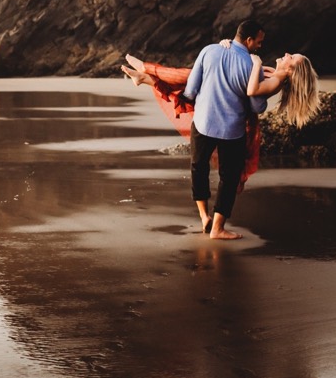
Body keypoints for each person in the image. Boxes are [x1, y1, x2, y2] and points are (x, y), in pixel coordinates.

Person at [122, 30, 321, 238]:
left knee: (187, 82)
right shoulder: (274, 72)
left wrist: (248, 62)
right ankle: (145, 75)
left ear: (292, 70)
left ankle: (146, 73)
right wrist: (229, 47)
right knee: (188, 84)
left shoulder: (276, 80)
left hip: (230, 118)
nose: (288, 54)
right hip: (224, 112)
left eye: (292, 57)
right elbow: (242, 72)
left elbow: (254, 98)